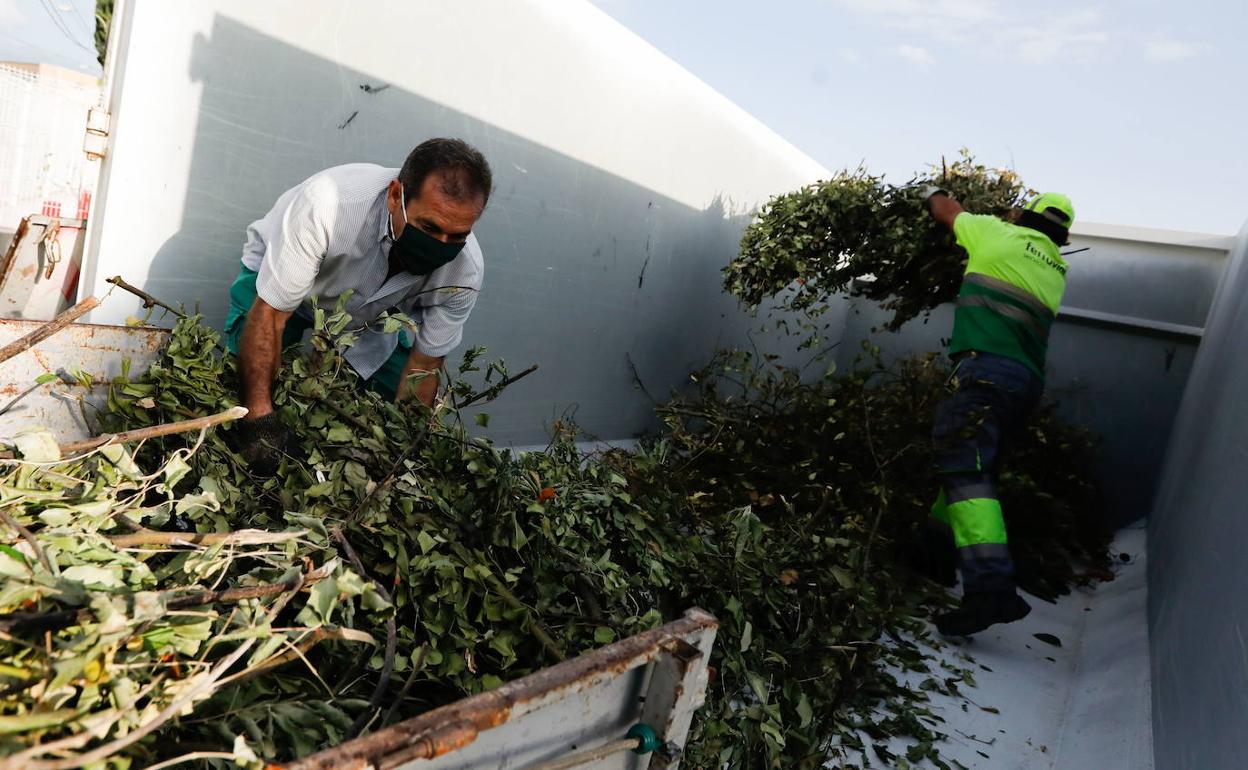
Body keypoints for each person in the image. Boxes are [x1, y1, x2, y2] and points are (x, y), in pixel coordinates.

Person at [225, 138, 492, 474]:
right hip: (281, 283)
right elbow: (271, 314)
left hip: (371, 313)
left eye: (457, 236)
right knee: (241, 381)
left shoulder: (464, 273)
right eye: (429, 227)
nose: (441, 245)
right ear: (396, 196)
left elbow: (425, 363)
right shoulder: (329, 205)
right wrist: (259, 422)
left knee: (387, 412)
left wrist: (406, 453)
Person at [917, 187, 1076, 636]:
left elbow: (948, 212)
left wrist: (935, 193)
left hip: (987, 371)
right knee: (973, 469)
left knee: (964, 463)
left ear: (1023, 216)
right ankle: (934, 552)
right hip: (1024, 384)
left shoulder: (995, 234)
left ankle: (990, 590)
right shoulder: (1057, 268)